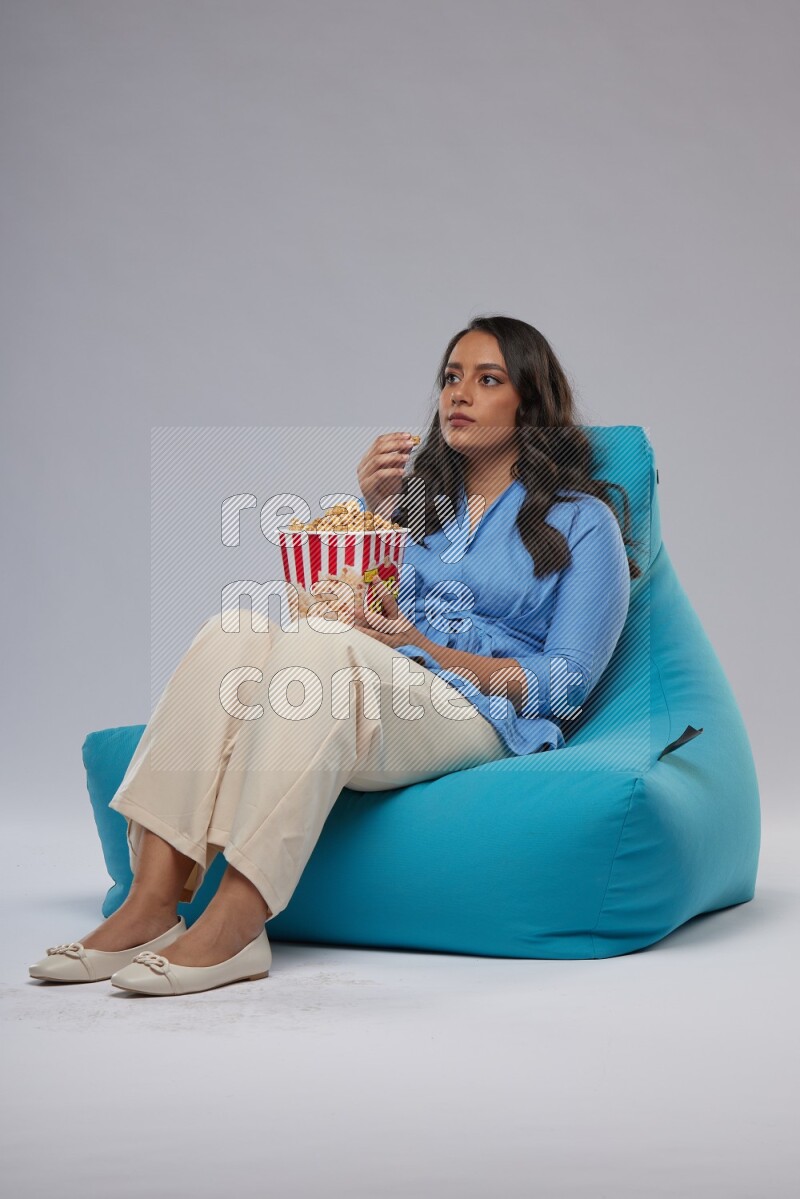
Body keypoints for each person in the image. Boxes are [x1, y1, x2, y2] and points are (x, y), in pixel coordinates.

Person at [28, 314, 640, 996]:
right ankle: (149, 901)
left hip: (480, 716)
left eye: (486, 379)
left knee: (322, 648)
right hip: (369, 689)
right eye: (450, 378)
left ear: (527, 402)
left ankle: (239, 916)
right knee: (233, 630)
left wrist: (421, 644)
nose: (457, 394)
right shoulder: (416, 509)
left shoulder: (585, 523)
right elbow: (319, 615)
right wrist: (372, 512)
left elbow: (566, 684)